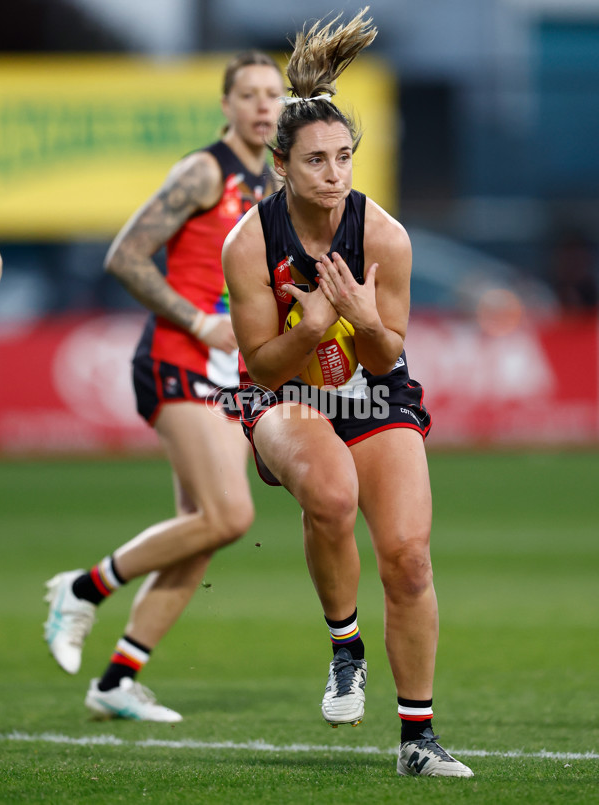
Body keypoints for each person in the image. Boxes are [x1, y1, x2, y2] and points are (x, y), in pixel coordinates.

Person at [222, 10, 474, 778]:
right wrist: (313, 325)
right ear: (282, 168)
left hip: (371, 388)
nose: (334, 175)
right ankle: (344, 646)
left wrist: (363, 320)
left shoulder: (386, 237)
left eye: (344, 158)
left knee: (407, 558)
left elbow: (387, 352)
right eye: (316, 162)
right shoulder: (250, 244)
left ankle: (417, 741)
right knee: (329, 493)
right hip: (283, 392)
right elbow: (263, 367)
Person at [43, 51, 285, 722]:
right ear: (226, 107)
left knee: (201, 529)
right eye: (250, 95)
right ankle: (83, 588)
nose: (265, 106)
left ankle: (118, 679)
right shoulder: (205, 170)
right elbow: (124, 254)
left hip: (228, 367)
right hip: (179, 353)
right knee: (231, 514)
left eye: (274, 94)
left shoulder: (275, 184)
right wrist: (199, 321)